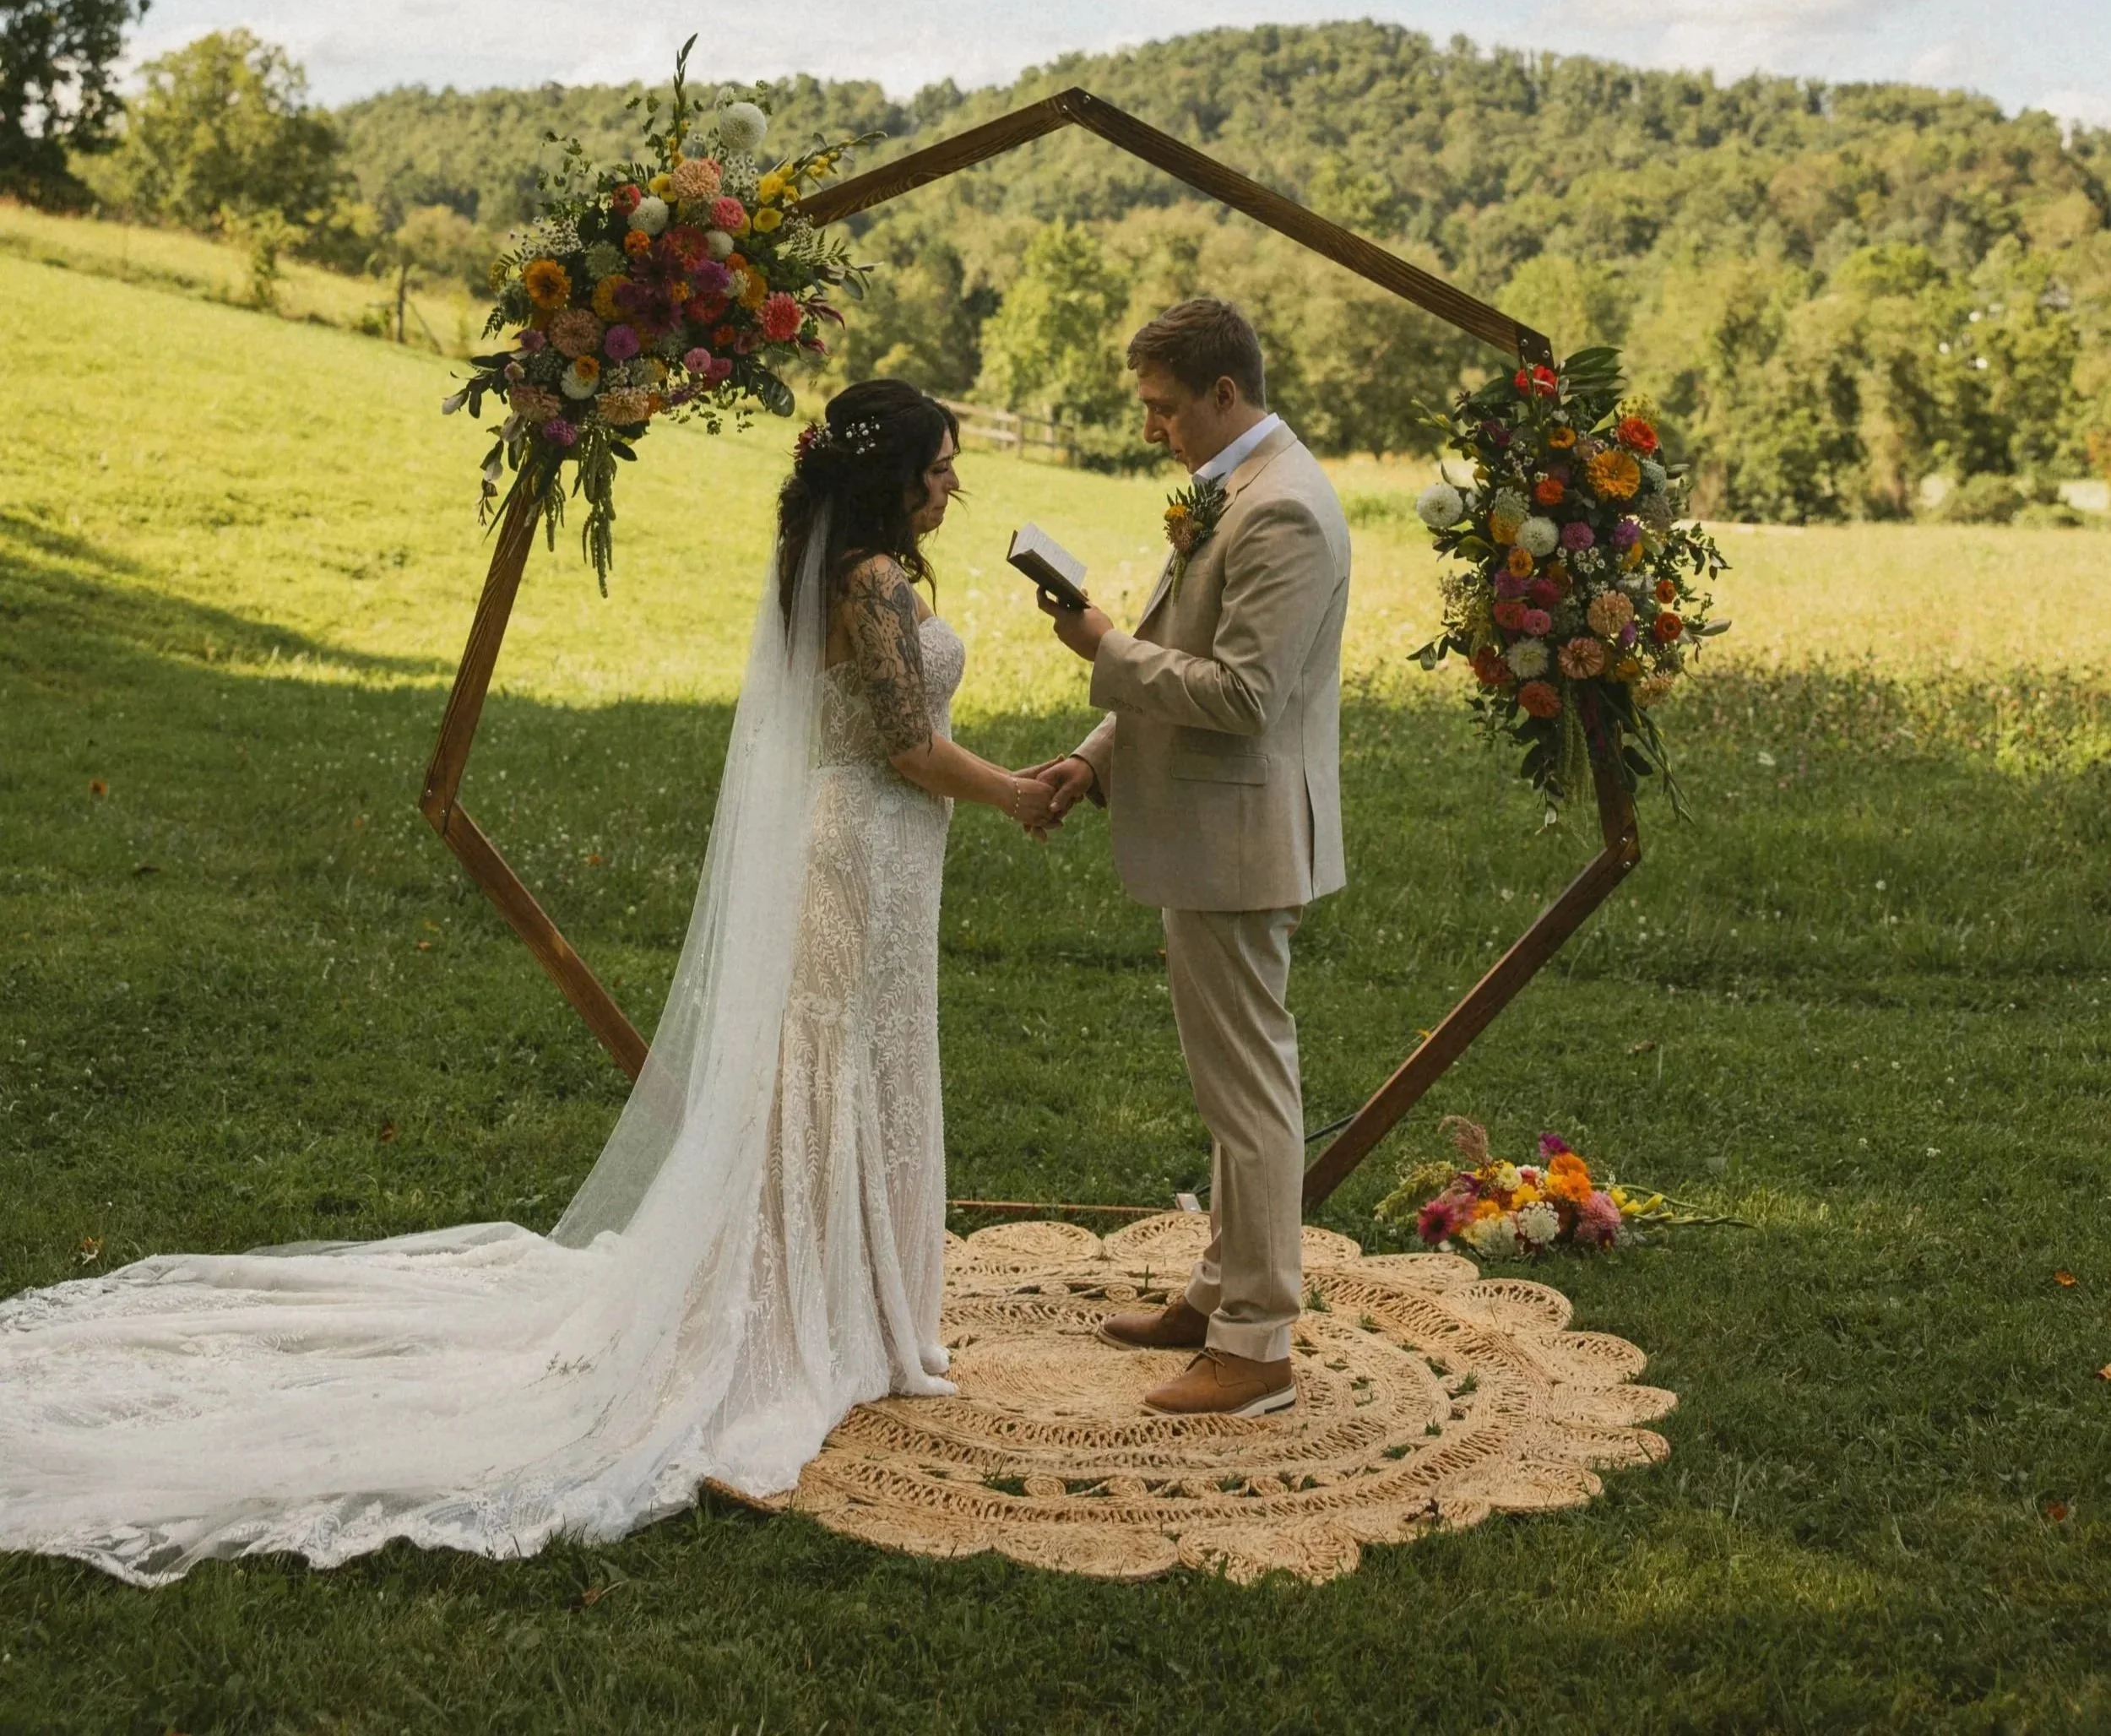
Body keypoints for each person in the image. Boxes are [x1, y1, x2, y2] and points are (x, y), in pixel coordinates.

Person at [0, 379, 1057, 1585]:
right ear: (888, 475)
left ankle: (846, 1301)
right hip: (861, 852)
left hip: (877, 852)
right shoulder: (867, 579)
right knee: (833, 1069)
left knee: (847, 1067)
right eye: (939, 468)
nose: (951, 487)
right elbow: (908, 746)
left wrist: (1004, 784)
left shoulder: (841, 566)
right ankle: (814, 1312)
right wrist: (1018, 792)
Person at [1024, 299, 1351, 1419]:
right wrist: (1095, 759)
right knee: (1230, 1090)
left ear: (1225, 392)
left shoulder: (1283, 509)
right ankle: (1219, 1294)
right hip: (1213, 832)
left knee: (1251, 1096)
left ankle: (1257, 1347)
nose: (1151, 427)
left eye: (1164, 407)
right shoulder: (1236, 488)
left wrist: (1104, 647)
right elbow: (1192, 654)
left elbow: (1247, 696)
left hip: (1240, 840)